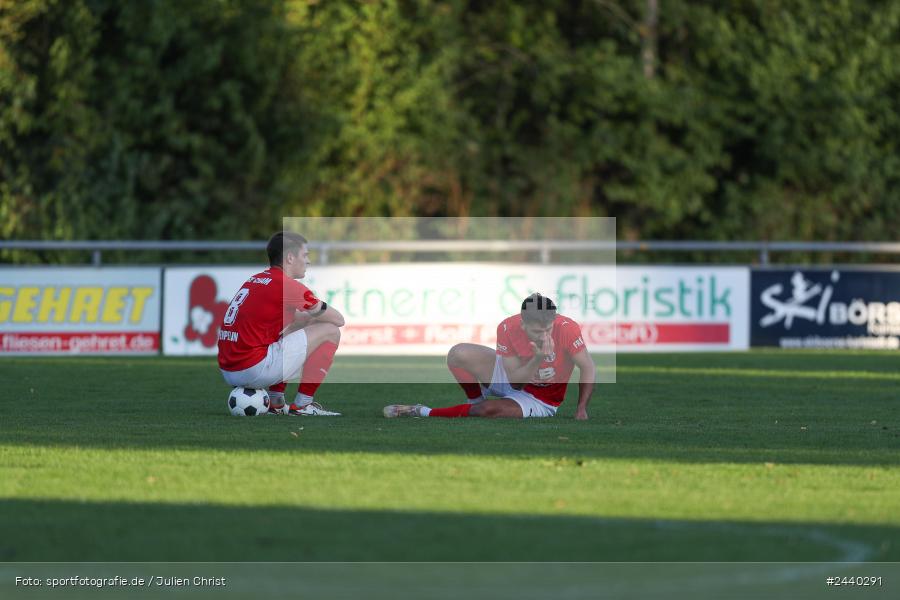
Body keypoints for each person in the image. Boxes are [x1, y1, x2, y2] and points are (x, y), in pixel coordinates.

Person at [384, 293, 595, 419]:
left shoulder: (567, 329)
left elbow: (588, 367)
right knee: (458, 354)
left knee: (486, 411)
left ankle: (422, 412)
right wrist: (538, 358)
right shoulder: (507, 327)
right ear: (523, 324)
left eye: (549, 329)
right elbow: (515, 383)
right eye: (538, 332)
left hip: (540, 398)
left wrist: (581, 409)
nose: (545, 335)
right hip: (516, 379)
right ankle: (474, 400)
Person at [218, 231, 344, 415]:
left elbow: (296, 321)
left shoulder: (256, 279)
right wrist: (315, 315)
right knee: (331, 331)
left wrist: (308, 319)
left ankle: (276, 403)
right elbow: (339, 320)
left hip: (229, 368)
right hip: (252, 368)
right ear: (290, 258)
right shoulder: (287, 285)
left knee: (297, 327)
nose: (308, 261)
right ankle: (303, 406)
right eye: (305, 255)